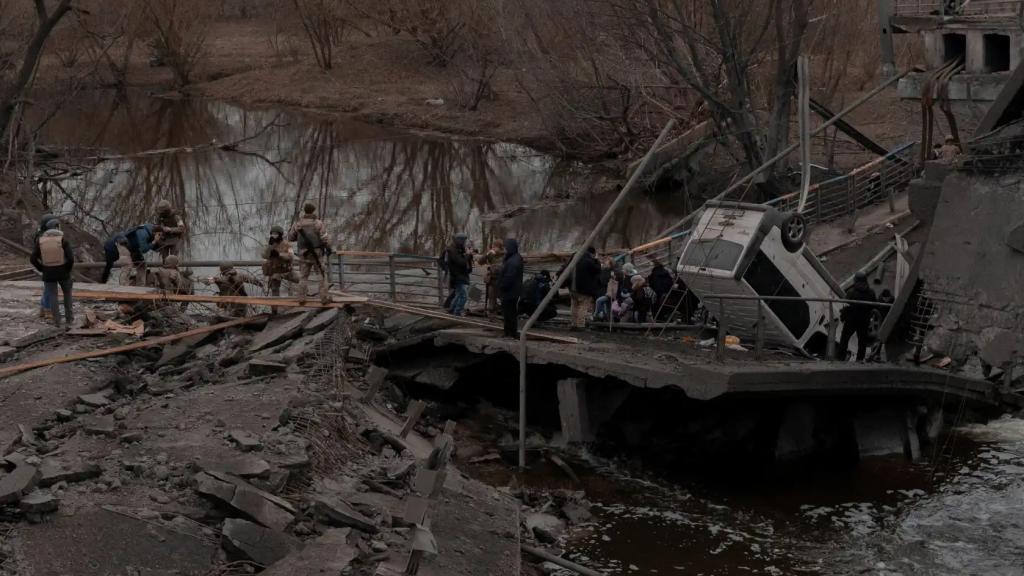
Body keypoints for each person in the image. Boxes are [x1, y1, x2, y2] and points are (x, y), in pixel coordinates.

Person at [30, 219, 75, 328]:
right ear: (57, 227)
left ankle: (57, 322)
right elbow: (71, 258)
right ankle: (69, 319)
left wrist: (42, 268)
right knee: (67, 294)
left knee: (53, 296)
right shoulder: (63, 240)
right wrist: (67, 269)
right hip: (63, 272)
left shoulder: (40, 241)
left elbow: (32, 259)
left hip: (48, 273)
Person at [288, 203, 332, 304]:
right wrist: (329, 248)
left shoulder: (297, 224)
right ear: (313, 211)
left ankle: (301, 299)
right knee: (321, 275)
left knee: (303, 277)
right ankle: (324, 298)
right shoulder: (318, 223)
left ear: (304, 211)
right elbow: (325, 239)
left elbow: (290, 237)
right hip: (317, 254)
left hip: (303, 254)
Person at [839, 271, 877, 361]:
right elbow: (873, 306)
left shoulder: (851, 292)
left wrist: (843, 317)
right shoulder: (871, 292)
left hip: (851, 320)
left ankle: (840, 358)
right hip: (864, 321)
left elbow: (846, 306)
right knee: (862, 342)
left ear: (856, 280)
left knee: (844, 339)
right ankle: (859, 360)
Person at [570, 246, 602, 329]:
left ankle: (573, 323)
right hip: (584, 289)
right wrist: (597, 260)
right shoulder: (589, 261)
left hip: (572, 287)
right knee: (582, 307)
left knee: (574, 306)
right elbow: (598, 270)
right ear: (592, 253)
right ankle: (580, 325)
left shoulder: (575, 257)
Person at [262, 225, 298, 299]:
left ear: (280, 234)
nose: (274, 236)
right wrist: (269, 247)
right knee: (274, 289)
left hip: (286, 270)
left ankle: (306, 297)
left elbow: (291, 256)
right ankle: (275, 309)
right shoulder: (269, 244)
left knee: (301, 280)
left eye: (276, 234)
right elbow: (264, 256)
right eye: (273, 234)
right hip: (275, 271)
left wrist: (279, 255)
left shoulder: (286, 244)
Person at [498, 238, 523, 338]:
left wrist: (501, 287)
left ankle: (511, 332)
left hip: (510, 291)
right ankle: (508, 332)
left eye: (506, 247)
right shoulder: (514, 257)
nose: (504, 249)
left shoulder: (513, 261)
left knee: (509, 313)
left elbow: (509, 277)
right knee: (508, 312)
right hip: (512, 290)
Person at [34, 213, 56, 320]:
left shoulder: (42, 235)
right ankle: (48, 310)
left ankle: (43, 308)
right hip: (49, 265)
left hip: (49, 264)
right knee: (50, 288)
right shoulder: (43, 238)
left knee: (48, 287)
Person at [444, 233, 472, 316]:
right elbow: (461, 262)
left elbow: (464, 261)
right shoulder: (452, 250)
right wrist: (467, 255)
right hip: (457, 275)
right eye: (464, 241)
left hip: (461, 274)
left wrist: (468, 255)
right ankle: (457, 312)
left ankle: (452, 309)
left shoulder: (458, 249)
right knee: (464, 296)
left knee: (459, 294)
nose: (464, 243)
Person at [478, 239, 504, 318]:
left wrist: (491, 267)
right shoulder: (491, 254)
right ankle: (492, 316)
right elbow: (480, 262)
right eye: (493, 246)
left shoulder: (504, 255)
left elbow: (500, 267)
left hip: (500, 280)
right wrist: (486, 254)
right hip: (492, 280)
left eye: (494, 246)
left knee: (502, 298)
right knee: (491, 298)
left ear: (499, 247)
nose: (493, 248)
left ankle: (503, 314)